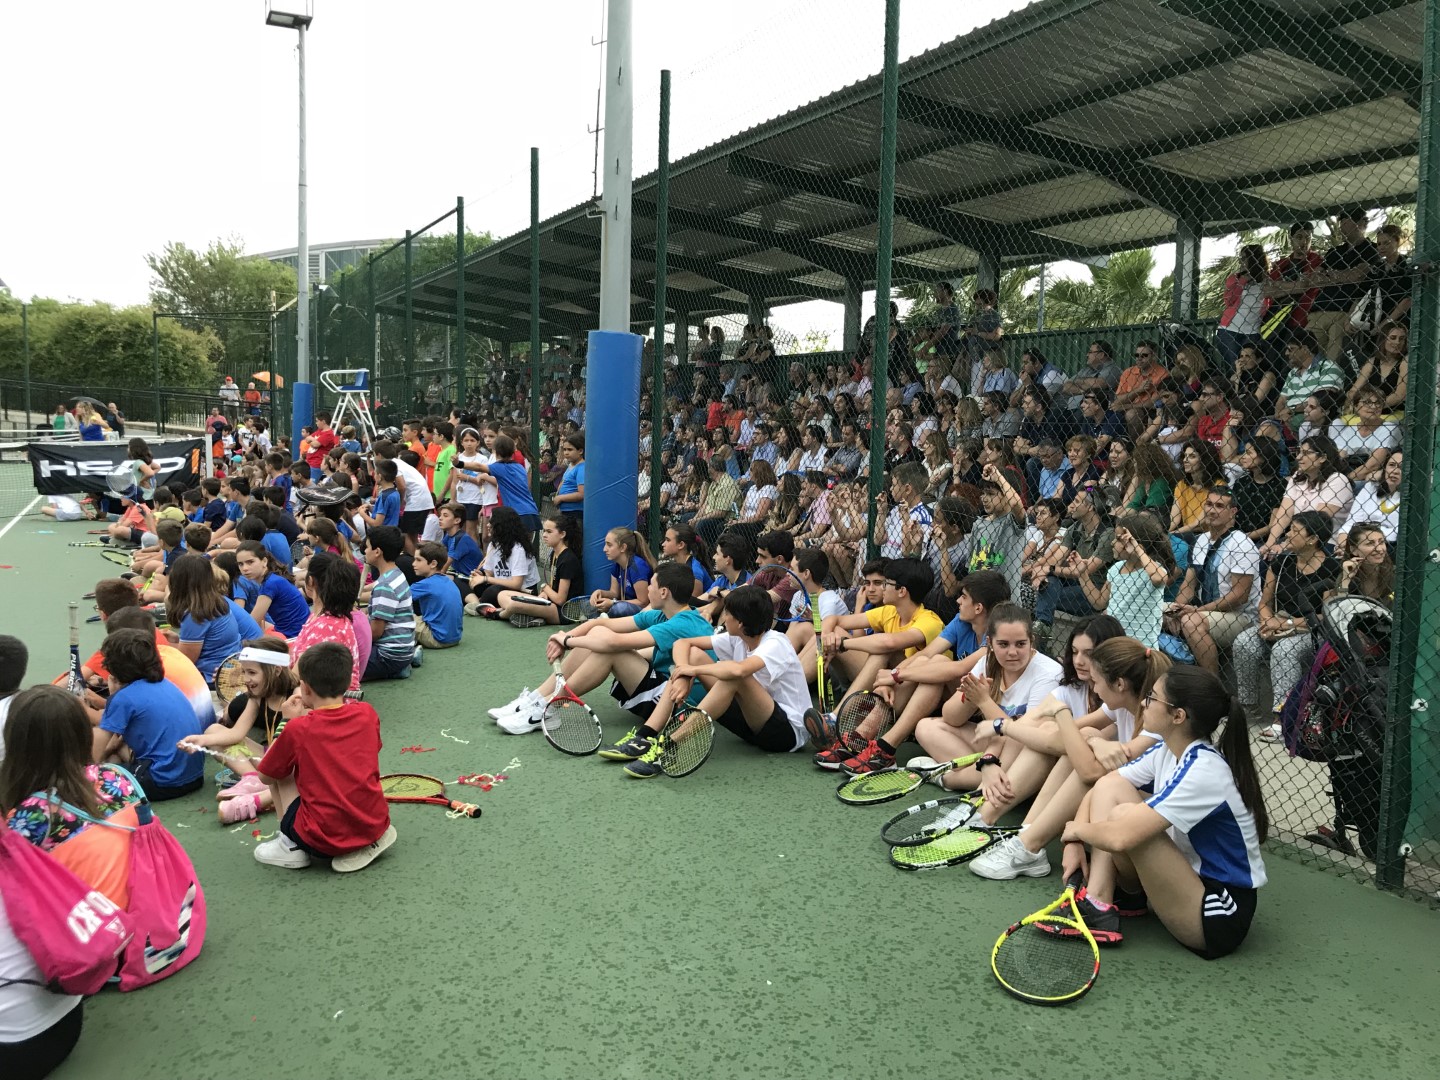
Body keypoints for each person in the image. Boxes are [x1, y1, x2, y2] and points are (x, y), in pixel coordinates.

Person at [1060, 665, 1268, 956]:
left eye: (1152, 697)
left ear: (1178, 716)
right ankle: (1101, 901)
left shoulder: (1205, 771)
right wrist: (1072, 842)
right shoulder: (1168, 750)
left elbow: (1120, 837)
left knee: (1123, 820)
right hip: (1187, 880)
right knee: (1113, 788)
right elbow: (1105, 784)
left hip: (1219, 913)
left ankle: (1097, 905)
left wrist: (1076, 830)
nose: (1144, 703)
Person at [616, 585, 812, 777]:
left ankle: (669, 746)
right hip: (753, 724)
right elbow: (682, 643)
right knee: (694, 655)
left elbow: (739, 670)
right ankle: (645, 736)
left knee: (734, 676)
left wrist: (694, 670)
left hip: (787, 733)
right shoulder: (739, 638)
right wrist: (683, 673)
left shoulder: (776, 643)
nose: (724, 617)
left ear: (740, 623)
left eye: (728, 613)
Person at [493, 563, 706, 736]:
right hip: (663, 686)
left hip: (677, 705)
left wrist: (569, 642)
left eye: (651, 585)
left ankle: (548, 707)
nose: (648, 589)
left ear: (664, 592)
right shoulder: (664, 614)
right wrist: (565, 637)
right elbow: (601, 624)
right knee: (598, 634)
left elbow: (614, 643)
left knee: (609, 650)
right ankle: (537, 699)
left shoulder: (680, 624)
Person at [252, 643, 396, 873]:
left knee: (282, 771)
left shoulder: (298, 728)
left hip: (323, 840)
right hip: (374, 825)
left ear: (305, 688)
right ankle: (362, 840)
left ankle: (289, 845)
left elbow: (266, 776)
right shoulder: (367, 713)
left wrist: (286, 722)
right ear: (347, 683)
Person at [908, 603, 1064, 793]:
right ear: (990, 643)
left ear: (1032, 641)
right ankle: (983, 773)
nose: (1012, 652)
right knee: (926, 727)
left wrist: (984, 701)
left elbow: (1024, 738)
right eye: (1003, 644)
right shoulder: (987, 662)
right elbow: (950, 718)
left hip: (1026, 754)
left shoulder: (1048, 674)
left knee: (1014, 746)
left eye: (1020, 644)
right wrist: (970, 698)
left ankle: (948, 778)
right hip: (996, 744)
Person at [178, 638, 298, 823]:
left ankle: (260, 798)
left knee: (295, 780)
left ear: (276, 670)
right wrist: (201, 740)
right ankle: (252, 779)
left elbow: (293, 748)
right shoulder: (258, 696)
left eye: (252, 672)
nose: (246, 679)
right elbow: (237, 733)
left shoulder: (296, 697)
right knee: (213, 730)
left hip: (292, 766)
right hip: (270, 758)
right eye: (244, 672)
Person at [93, 629, 206, 800]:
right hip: (195, 778)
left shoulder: (124, 698)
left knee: (101, 771)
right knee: (116, 753)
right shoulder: (166, 683)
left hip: (162, 783)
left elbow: (97, 750)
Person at [1165, 487, 1260, 673]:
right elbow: (1188, 585)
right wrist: (1175, 610)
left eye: (1219, 506)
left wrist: (1198, 610)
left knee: (1191, 621)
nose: (1212, 510)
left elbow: (1239, 596)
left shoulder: (1242, 544)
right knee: (1156, 611)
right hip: (1205, 611)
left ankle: (1211, 682)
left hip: (1241, 616)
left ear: (1232, 512)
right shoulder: (1200, 540)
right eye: (1209, 504)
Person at [1080, 513, 1172, 648]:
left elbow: (1159, 578)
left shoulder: (1152, 570)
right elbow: (1099, 602)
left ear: (1134, 543)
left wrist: (1137, 550)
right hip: (1113, 643)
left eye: (1118, 539)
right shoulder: (1116, 568)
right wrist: (1082, 574)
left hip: (1141, 647)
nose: (1112, 543)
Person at [167, 553, 244, 686]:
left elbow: (185, 662)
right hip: (231, 666)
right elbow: (210, 643)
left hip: (213, 679)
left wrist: (164, 647)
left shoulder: (196, 614)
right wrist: (178, 640)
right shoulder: (217, 602)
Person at [494, 513, 583, 628]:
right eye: (544, 531)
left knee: (514, 605)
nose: (544, 535)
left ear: (562, 534)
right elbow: (553, 585)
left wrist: (544, 587)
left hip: (562, 612)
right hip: (550, 603)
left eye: (549, 532)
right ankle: (531, 617)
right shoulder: (554, 554)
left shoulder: (568, 560)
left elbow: (560, 600)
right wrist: (545, 593)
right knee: (502, 595)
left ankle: (499, 614)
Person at [293, 555, 363, 691]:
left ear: (310, 581)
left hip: (322, 700)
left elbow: (294, 679)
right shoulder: (329, 616)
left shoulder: (326, 626)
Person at [361, 526, 418, 682]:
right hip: (402, 649)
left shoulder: (385, 585)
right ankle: (401, 665)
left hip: (388, 655)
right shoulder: (396, 573)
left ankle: (393, 670)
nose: (365, 551)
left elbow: (375, 632)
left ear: (377, 552)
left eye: (367, 547)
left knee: (339, 666)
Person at [466, 506, 543, 615]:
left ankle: (481, 605)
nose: (488, 525)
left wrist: (485, 578)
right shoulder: (493, 544)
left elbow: (516, 584)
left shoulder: (518, 549)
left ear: (501, 525)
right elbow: (490, 573)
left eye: (491, 522)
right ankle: (478, 604)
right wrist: (480, 575)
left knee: (492, 591)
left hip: (522, 591)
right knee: (462, 581)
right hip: (500, 586)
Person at [236, 541, 309, 639]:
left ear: (264, 561)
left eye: (250, 562)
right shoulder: (273, 579)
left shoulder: (270, 584)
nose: (245, 568)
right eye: (240, 564)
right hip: (298, 631)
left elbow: (252, 623)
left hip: (294, 637)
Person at [588, 527, 653, 619]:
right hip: (625, 605)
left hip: (645, 611)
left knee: (619, 608)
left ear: (623, 547)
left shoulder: (638, 566)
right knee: (591, 604)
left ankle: (603, 620)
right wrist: (600, 592)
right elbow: (614, 593)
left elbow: (643, 602)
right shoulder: (617, 565)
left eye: (609, 545)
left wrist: (613, 603)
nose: (604, 549)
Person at [411, 542, 463, 649]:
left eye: (418, 560)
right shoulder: (449, 581)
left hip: (436, 639)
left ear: (433, 564)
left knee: (399, 614)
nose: (413, 564)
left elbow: (395, 597)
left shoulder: (424, 585)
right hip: (455, 638)